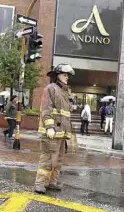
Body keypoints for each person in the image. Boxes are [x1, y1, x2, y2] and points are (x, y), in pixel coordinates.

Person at [34, 64, 75, 194]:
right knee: (47, 158)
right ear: (57, 76)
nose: (67, 77)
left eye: (68, 75)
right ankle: (40, 183)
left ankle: (52, 182)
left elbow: (64, 114)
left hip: (63, 133)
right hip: (51, 132)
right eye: (64, 75)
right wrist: (49, 127)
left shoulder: (66, 91)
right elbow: (46, 109)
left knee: (58, 160)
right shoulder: (50, 89)